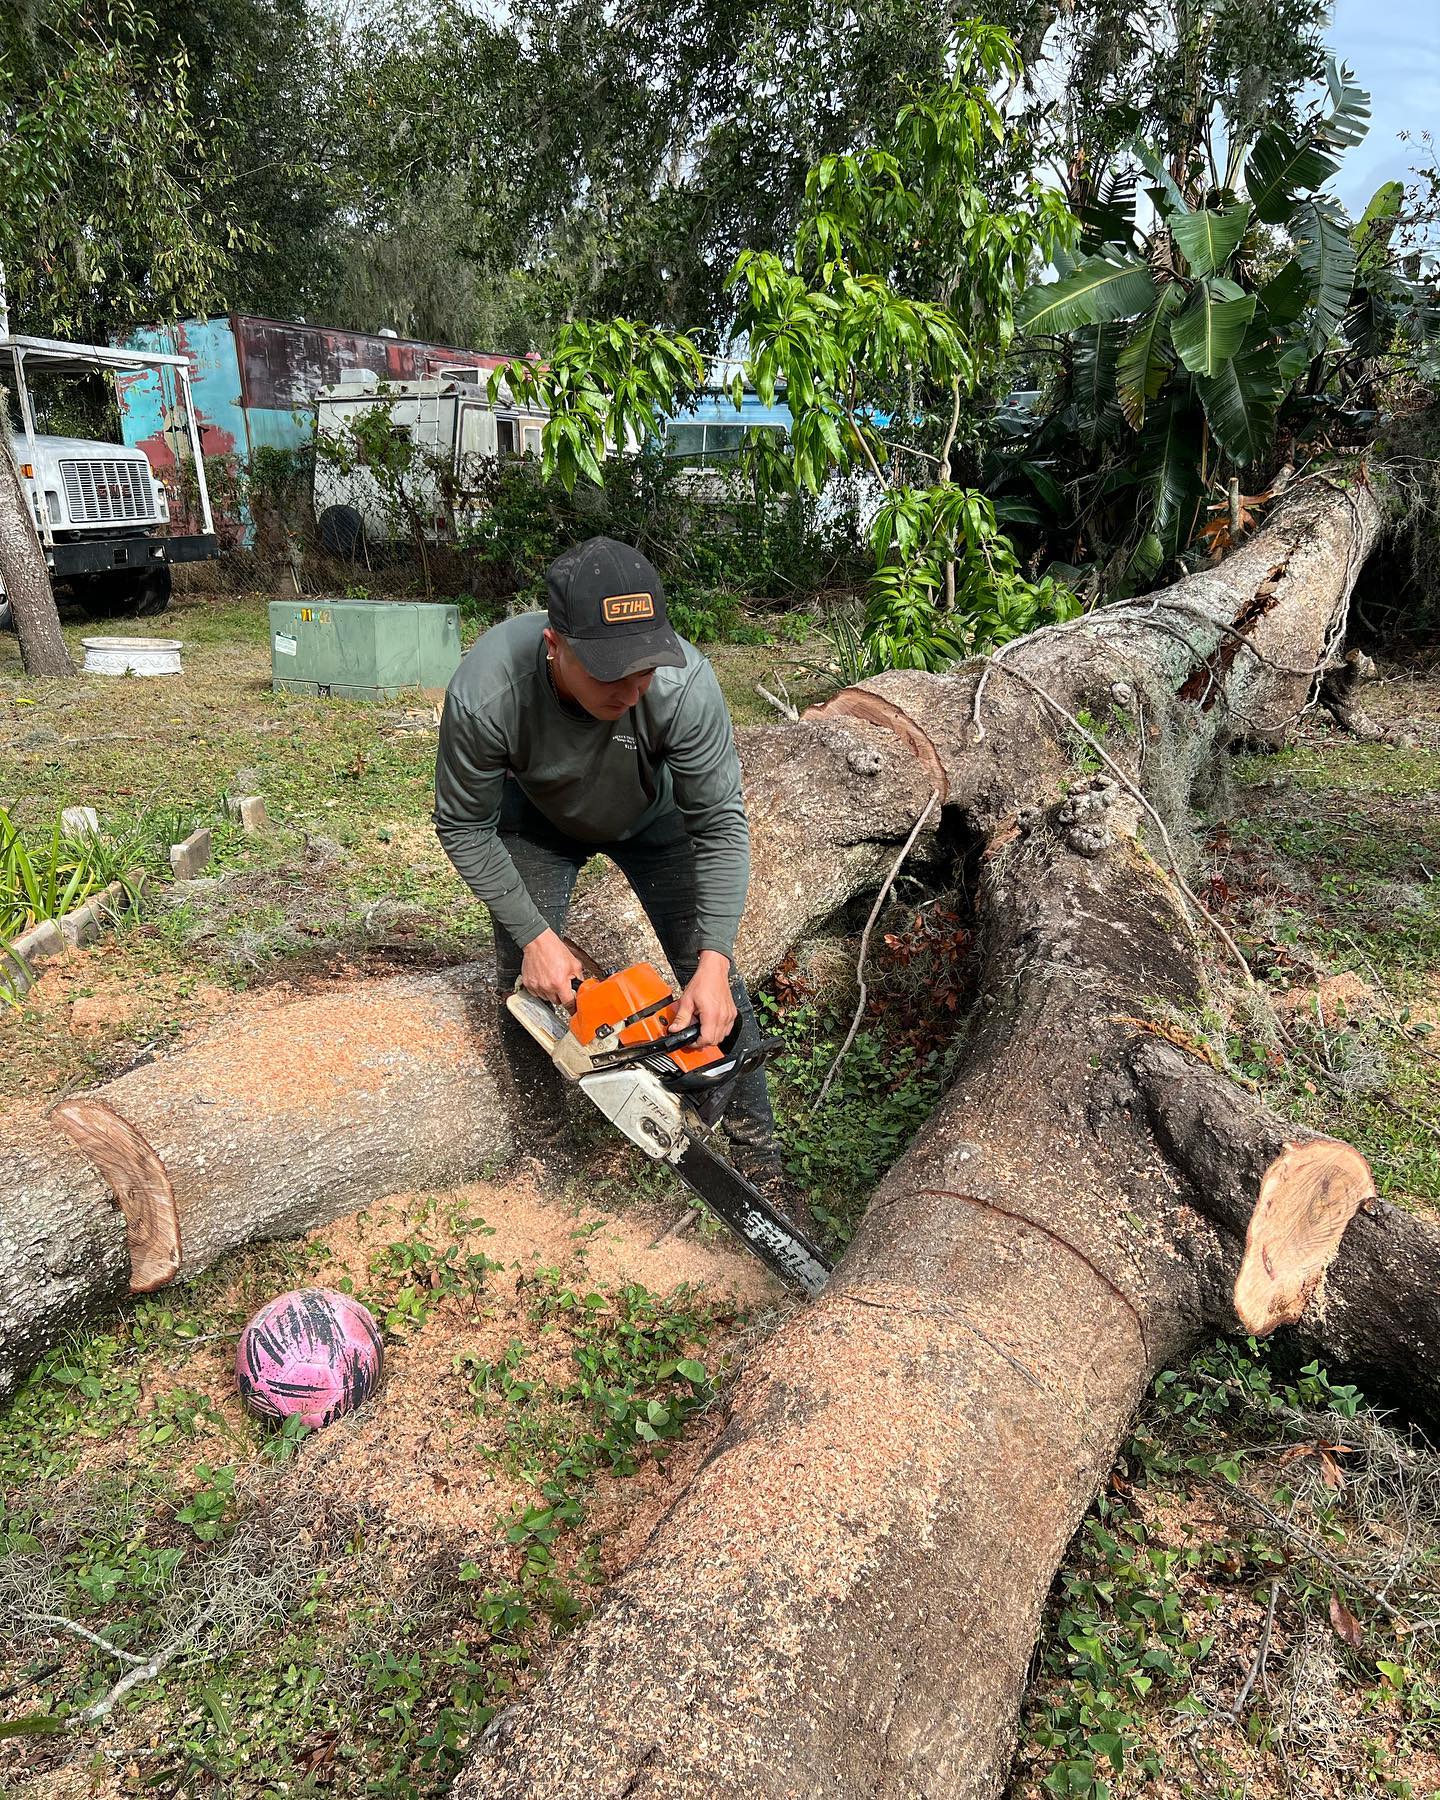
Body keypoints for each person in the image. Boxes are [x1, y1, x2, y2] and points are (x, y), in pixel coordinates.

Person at [433, 534, 787, 1199]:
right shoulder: (489, 692)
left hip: (657, 820)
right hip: (537, 820)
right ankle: (544, 1153)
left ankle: (763, 1167)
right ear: (554, 645)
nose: (630, 688)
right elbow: (462, 824)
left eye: (643, 667)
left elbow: (719, 824)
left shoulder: (685, 688)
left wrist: (711, 963)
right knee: (524, 978)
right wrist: (537, 937)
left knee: (716, 986)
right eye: (607, 671)